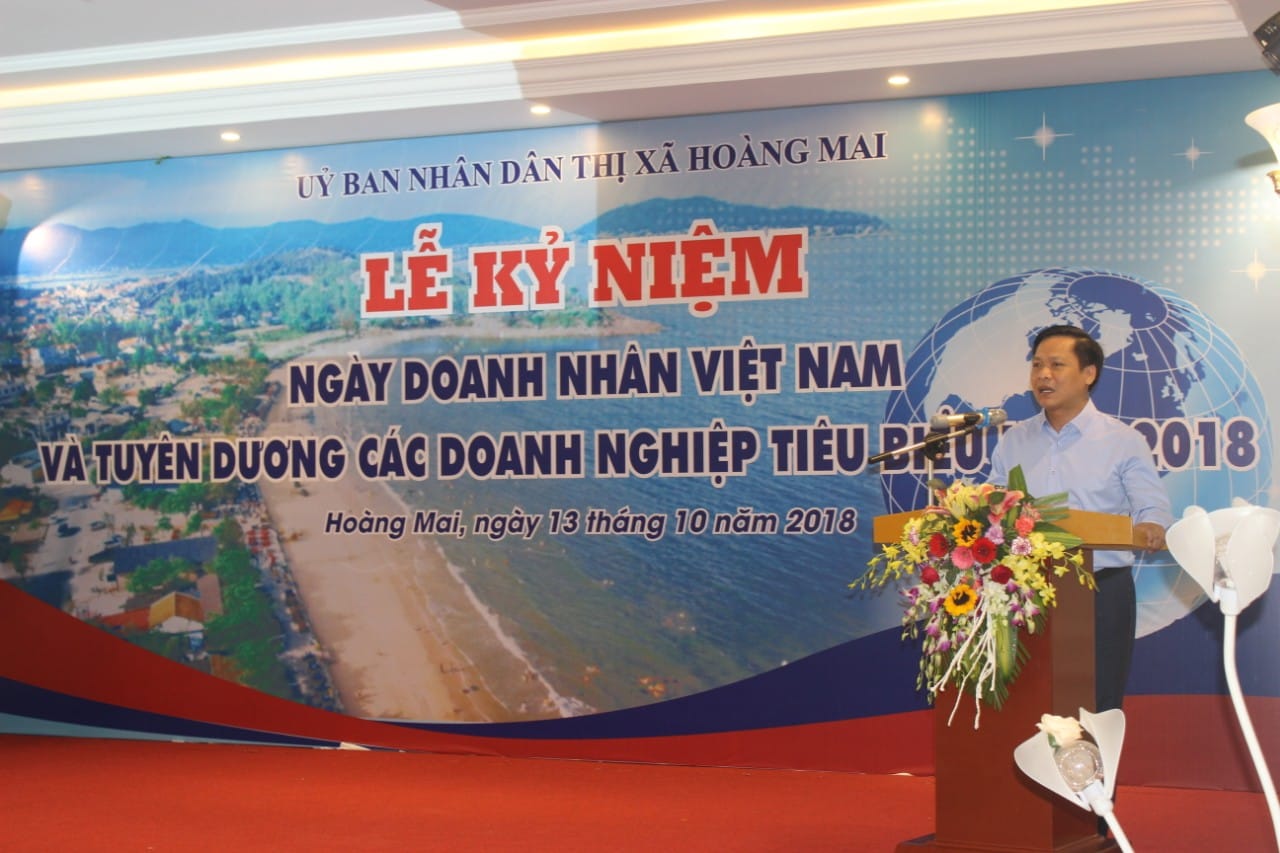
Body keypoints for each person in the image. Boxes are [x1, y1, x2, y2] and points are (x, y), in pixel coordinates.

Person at [987, 324, 1173, 715]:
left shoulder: (1122, 440)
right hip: (1026, 590)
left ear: (1089, 373)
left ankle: (1095, 760)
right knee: (1028, 706)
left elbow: (1152, 508)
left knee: (1096, 705)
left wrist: (1152, 527)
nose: (1043, 375)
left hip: (1099, 590)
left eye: (1056, 365)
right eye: (1037, 365)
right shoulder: (1014, 440)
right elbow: (995, 507)